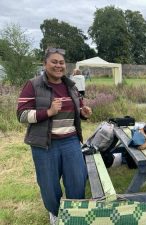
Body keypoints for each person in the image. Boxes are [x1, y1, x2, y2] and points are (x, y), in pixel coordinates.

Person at [17, 47, 92, 225]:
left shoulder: (71, 85)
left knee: (77, 181)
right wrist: (48, 112)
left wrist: (83, 112)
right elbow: (21, 115)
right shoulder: (33, 85)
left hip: (71, 141)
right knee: (49, 186)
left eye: (61, 62)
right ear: (45, 64)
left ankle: (74, 214)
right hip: (45, 144)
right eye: (54, 62)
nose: (58, 66)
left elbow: (78, 108)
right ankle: (55, 213)